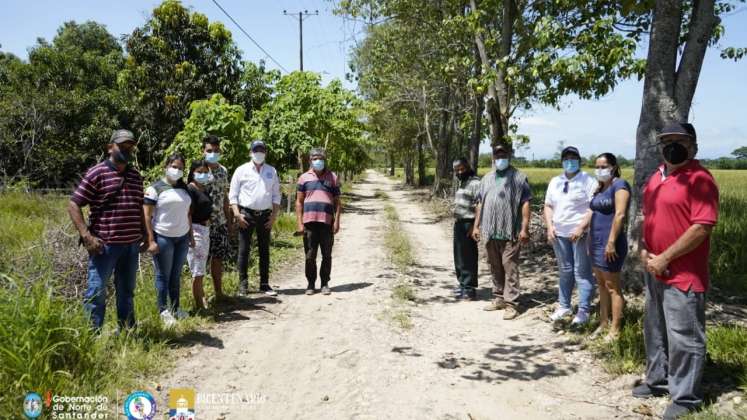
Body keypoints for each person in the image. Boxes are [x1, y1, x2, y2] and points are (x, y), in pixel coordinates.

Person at [632, 122, 719, 420]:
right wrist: (644, 249)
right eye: (666, 141)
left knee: (685, 336)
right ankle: (657, 381)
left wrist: (666, 257)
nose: (671, 146)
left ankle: (686, 397)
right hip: (654, 268)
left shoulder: (700, 178)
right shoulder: (656, 177)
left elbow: (702, 227)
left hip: (683, 273)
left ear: (692, 145)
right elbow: (648, 217)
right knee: (655, 329)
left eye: (678, 140)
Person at [68, 129, 145, 331]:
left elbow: (138, 208)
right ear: (110, 147)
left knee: (127, 291)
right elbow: (74, 204)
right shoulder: (97, 173)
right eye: (122, 146)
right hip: (105, 246)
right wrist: (86, 236)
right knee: (97, 291)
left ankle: (128, 331)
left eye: (130, 146)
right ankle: (92, 336)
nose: (127, 150)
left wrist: (145, 235)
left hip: (131, 245)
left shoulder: (136, 176)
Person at [472, 144, 531, 320]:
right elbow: (480, 203)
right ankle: (498, 297)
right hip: (490, 231)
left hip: (510, 231)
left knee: (509, 266)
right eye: (497, 156)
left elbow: (526, 203)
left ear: (509, 155)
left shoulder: (519, 177)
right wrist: (476, 225)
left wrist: (524, 228)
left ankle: (512, 303)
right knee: (494, 265)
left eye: (503, 155)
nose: (500, 158)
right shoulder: (487, 178)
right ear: (493, 158)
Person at [544, 146, 598, 326]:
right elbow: (548, 205)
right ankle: (564, 306)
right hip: (559, 234)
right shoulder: (555, 181)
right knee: (565, 271)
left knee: (581, 272)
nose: (569, 161)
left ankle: (584, 310)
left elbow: (593, 206)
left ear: (579, 161)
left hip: (580, 234)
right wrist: (549, 226)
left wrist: (582, 227)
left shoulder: (588, 180)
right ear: (562, 161)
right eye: (566, 158)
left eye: (573, 158)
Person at [143, 154, 194, 326]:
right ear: (166, 166)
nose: (177, 170)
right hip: (163, 237)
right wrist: (151, 240)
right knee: (163, 275)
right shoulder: (155, 188)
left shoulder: (184, 188)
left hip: (182, 237)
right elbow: (147, 216)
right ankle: (162, 310)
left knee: (176, 275)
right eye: (174, 166)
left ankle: (176, 308)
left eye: (180, 168)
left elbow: (188, 213)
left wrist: (191, 236)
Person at [229, 140, 281, 296]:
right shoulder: (241, 170)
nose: (259, 153)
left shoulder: (272, 171)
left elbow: (276, 195)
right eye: (256, 150)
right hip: (246, 215)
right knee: (244, 250)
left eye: (262, 150)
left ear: (265, 152)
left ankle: (264, 284)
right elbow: (233, 194)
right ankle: (243, 285)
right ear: (250, 152)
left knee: (264, 250)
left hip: (265, 215)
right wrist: (237, 214)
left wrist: (273, 216)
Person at [589, 153, 630, 341]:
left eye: (603, 166)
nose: (600, 170)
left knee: (613, 287)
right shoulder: (599, 188)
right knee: (602, 285)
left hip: (611, 244)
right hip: (595, 243)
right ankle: (603, 322)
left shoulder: (619, 185)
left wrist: (611, 242)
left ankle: (615, 329)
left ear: (613, 167)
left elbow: (620, 215)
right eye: (597, 166)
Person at [295, 148, 342, 295]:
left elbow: (338, 202)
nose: (318, 161)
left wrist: (337, 221)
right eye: (315, 158)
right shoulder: (303, 178)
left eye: (320, 158)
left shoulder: (332, 177)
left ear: (325, 159)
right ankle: (310, 283)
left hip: (327, 222)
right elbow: (298, 202)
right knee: (310, 255)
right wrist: (299, 223)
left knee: (326, 254)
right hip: (309, 222)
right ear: (310, 160)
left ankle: (325, 283)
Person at [202, 135, 233, 301]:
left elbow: (225, 198)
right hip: (202, 223)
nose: (212, 153)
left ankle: (218, 293)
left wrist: (229, 221)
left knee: (217, 258)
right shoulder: (198, 170)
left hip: (219, 221)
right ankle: (201, 297)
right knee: (201, 261)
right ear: (203, 151)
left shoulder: (223, 171)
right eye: (209, 150)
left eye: (215, 150)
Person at [451, 157, 481, 300]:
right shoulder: (462, 183)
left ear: (468, 167)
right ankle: (462, 284)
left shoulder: (475, 183)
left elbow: (479, 206)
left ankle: (469, 289)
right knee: (459, 256)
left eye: (462, 169)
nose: (460, 172)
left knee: (468, 256)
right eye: (457, 170)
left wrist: (475, 226)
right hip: (459, 223)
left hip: (469, 223)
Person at [186, 160, 214, 312]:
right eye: (200, 171)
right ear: (192, 172)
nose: (203, 174)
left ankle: (202, 298)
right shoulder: (190, 189)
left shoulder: (204, 188)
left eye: (205, 172)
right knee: (196, 271)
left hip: (205, 230)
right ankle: (199, 304)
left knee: (201, 269)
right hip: (195, 230)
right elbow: (188, 214)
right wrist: (190, 236)